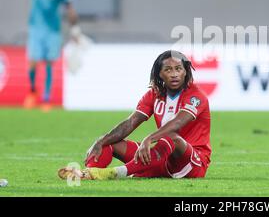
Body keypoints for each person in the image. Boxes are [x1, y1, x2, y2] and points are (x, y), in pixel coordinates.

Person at [57, 50, 211, 180]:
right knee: (110, 141)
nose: (174, 74)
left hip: (192, 163)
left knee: (171, 137)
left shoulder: (196, 96)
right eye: (168, 70)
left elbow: (177, 124)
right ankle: (88, 173)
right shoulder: (154, 94)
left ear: (186, 71)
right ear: (159, 73)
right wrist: (101, 141)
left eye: (178, 69)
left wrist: (149, 138)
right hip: (161, 157)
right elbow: (131, 122)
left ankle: (115, 173)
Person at [3, 0, 78, 112]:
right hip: (36, 29)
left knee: (50, 64)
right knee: (32, 62)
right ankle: (32, 92)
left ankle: (46, 99)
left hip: (53, 31)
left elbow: (70, 7)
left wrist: (74, 26)